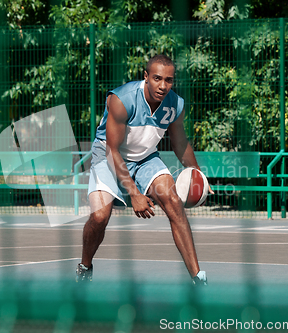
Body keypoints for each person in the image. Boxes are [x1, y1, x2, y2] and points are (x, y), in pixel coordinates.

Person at [76, 54, 213, 285]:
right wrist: (135, 194)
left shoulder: (175, 104)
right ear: (146, 76)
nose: (163, 85)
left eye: (169, 80)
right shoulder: (122, 99)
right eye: (157, 78)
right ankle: (85, 266)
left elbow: (180, 143)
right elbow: (112, 150)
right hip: (108, 156)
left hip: (146, 158)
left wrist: (198, 176)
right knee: (100, 217)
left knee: (173, 202)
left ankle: (198, 278)